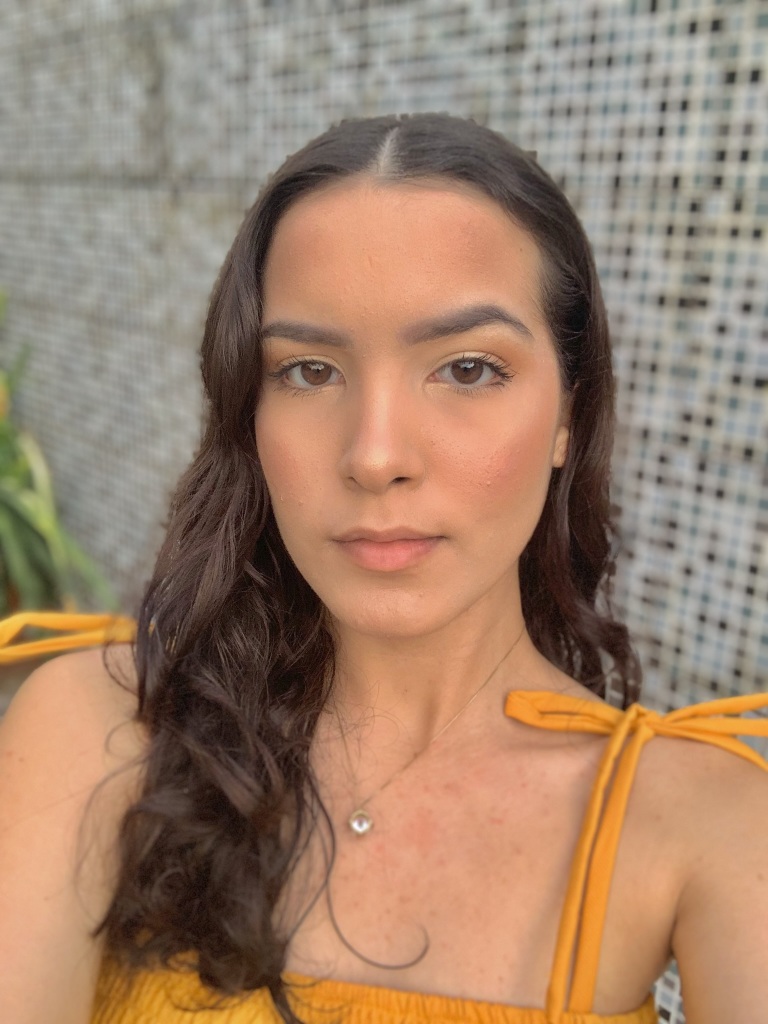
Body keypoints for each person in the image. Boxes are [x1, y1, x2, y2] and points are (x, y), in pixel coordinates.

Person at [0, 113, 766, 1024]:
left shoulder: (702, 823)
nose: (373, 455)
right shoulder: (103, 730)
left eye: (468, 369)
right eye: (309, 371)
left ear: (571, 412)